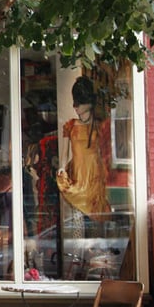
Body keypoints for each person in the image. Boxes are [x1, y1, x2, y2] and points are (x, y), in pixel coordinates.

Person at [56, 76, 111, 219]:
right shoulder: (70, 126)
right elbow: (65, 152)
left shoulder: (99, 126)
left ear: (89, 102)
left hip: (95, 176)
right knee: (77, 220)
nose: (75, 106)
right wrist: (62, 167)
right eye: (75, 102)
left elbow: (105, 152)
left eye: (79, 102)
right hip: (77, 176)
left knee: (97, 216)